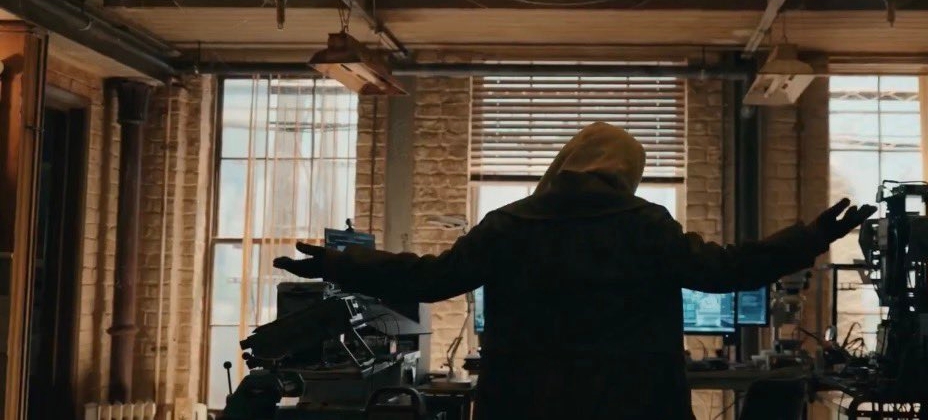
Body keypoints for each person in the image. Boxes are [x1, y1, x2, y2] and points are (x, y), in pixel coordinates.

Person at [274, 122, 876, 420]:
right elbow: (727, 271)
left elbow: (430, 279)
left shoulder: (510, 224)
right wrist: (811, 237)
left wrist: (343, 263)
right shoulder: (646, 224)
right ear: (626, 172)